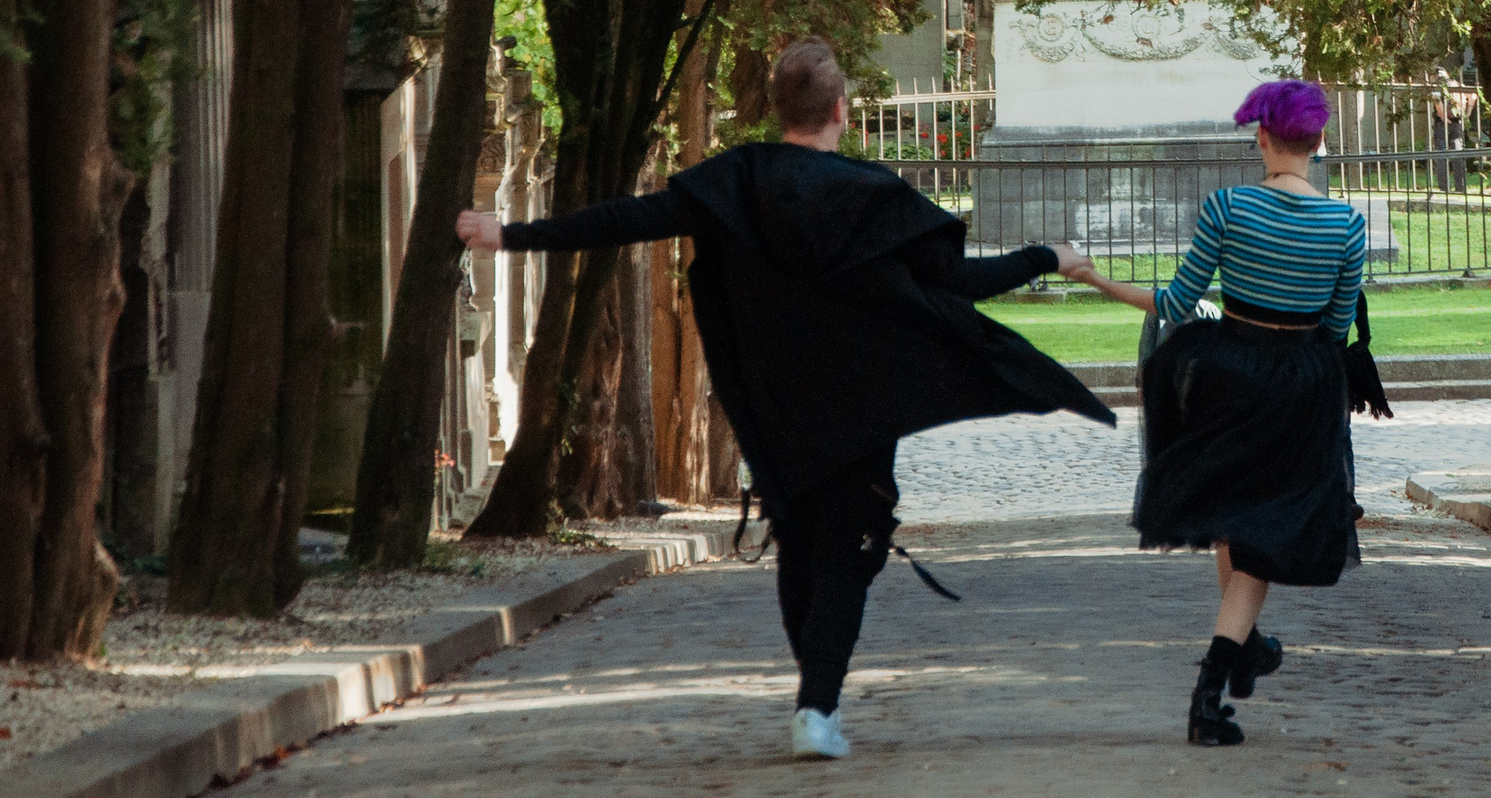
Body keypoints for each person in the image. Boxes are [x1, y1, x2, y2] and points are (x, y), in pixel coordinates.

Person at [455, 37, 1112, 761]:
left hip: (772, 407)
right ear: (841, 110)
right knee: (845, 550)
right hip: (860, 408)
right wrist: (1050, 257)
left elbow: (627, 220)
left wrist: (508, 234)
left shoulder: (736, 182)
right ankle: (816, 706)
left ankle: (815, 699)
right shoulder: (875, 197)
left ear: (779, 109)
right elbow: (962, 284)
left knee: (801, 545)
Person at [1064, 79, 1368, 746]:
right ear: (1319, 142)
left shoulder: (1228, 207)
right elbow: (1336, 326)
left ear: (1263, 138)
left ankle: (1242, 649)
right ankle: (1210, 692)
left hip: (1229, 378)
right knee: (1254, 533)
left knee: (1239, 523)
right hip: (1301, 387)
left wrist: (1095, 278)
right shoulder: (1347, 226)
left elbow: (1176, 303)